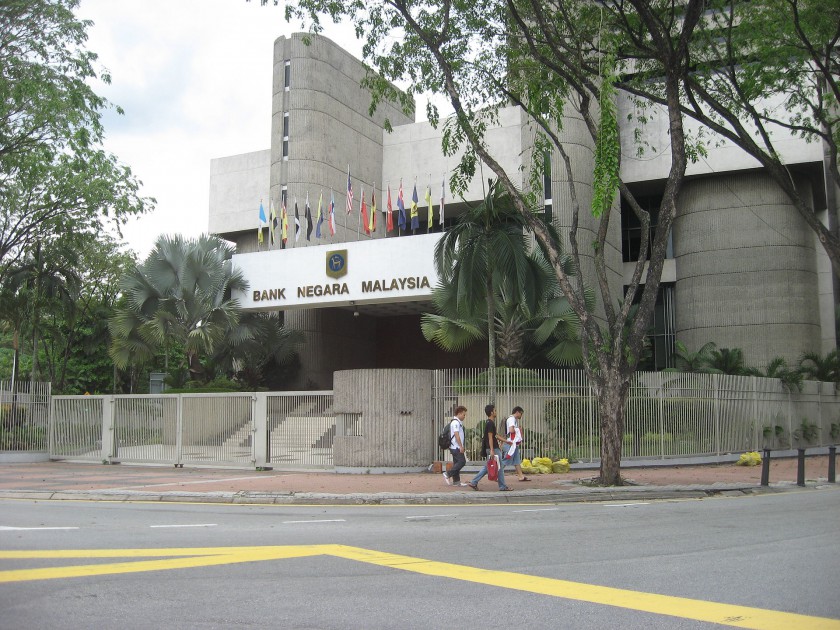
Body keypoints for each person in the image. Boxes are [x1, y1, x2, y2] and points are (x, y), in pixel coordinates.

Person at [467, 404, 511, 491]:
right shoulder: (490, 423)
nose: (496, 412)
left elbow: (496, 435)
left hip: (491, 448)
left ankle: (474, 482)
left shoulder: (489, 423)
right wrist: (491, 450)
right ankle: (502, 486)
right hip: (493, 448)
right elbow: (490, 437)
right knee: (499, 466)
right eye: (495, 411)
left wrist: (506, 441)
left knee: (488, 466)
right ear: (491, 412)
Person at [501, 406, 530, 482]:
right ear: (517, 412)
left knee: (516, 461)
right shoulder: (511, 419)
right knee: (506, 460)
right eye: (521, 413)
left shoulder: (513, 419)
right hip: (511, 444)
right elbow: (511, 430)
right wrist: (518, 430)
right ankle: (497, 474)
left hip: (513, 444)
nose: (521, 415)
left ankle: (521, 476)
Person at [442, 405, 468, 486]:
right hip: (456, 447)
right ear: (459, 413)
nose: (464, 416)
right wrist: (461, 446)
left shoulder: (457, 422)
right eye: (463, 414)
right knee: (462, 462)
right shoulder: (455, 423)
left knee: (456, 462)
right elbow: (457, 435)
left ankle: (456, 481)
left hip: (455, 446)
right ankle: (448, 474)